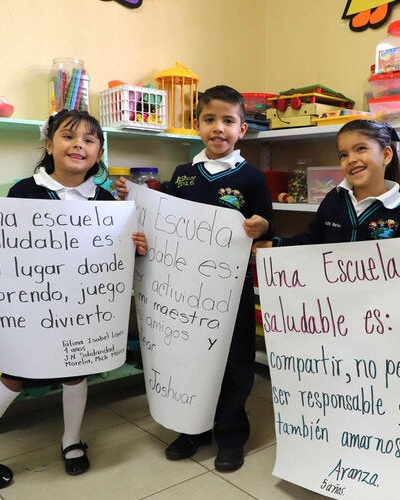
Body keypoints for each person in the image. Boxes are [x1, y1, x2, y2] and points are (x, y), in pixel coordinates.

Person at [0, 109, 148, 489]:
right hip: (32, 307)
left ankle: (71, 441)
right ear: (48, 144)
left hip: (79, 308)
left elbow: (114, 255)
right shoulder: (23, 192)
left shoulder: (106, 201)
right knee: (14, 375)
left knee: (77, 370)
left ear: (99, 151)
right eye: (68, 136)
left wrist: (136, 247)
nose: (78, 145)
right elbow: (2, 247)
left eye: (89, 140)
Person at [162, 85, 273, 472]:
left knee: (234, 362)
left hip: (231, 291)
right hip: (184, 292)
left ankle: (230, 434)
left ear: (242, 129)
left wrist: (262, 227)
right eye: (210, 120)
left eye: (228, 121)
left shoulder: (252, 179)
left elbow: (265, 225)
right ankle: (192, 427)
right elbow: (167, 224)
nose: (218, 128)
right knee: (188, 360)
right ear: (197, 125)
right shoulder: (182, 175)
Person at [253, 118, 400, 283]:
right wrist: (276, 244)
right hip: (335, 310)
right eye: (343, 155)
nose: (351, 160)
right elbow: (313, 240)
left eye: (361, 148)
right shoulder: (334, 199)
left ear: (386, 155)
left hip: (376, 312)